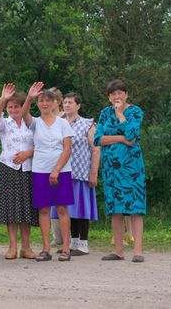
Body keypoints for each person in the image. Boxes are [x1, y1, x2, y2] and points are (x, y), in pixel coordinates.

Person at [94, 79, 146, 263]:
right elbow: (98, 139)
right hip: (111, 169)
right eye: (113, 94)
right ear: (109, 97)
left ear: (126, 94)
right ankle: (118, 250)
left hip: (131, 168)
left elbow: (132, 138)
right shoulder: (104, 113)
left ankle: (138, 251)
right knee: (115, 208)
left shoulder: (135, 111)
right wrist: (121, 138)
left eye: (120, 93)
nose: (117, 96)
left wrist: (120, 115)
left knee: (135, 208)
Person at [21, 82, 74, 262]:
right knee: (43, 209)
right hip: (40, 170)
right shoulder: (35, 123)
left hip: (62, 171)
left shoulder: (63, 123)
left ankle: (66, 248)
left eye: (48, 101)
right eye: (41, 100)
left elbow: (67, 149)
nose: (45, 103)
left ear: (54, 103)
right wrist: (29, 96)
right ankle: (45, 248)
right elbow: (22, 114)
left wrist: (57, 170)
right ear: (38, 103)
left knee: (62, 208)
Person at [0, 84, 38, 260]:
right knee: (11, 209)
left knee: (26, 209)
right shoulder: (5, 124)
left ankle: (26, 247)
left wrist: (28, 153)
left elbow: (42, 145)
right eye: (10, 107)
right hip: (8, 169)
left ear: (22, 107)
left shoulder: (32, 123)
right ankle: (12, 247)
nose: (13, 110)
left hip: (28, 169)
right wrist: (2, 99)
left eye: (16, 106)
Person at [59, 92, 100, 256]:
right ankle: (72, 243)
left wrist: (94, 173)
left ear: (78, 105)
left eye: (70, 102)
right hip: (63, 172)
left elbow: (96, 149)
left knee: (81, 209)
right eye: (65, 102)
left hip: (81, 172)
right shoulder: (59, 123)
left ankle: (83, 244)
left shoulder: (88, 124)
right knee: (68, 209)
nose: (67, 105)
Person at [49, 87, 65, 247]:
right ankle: (56, 235)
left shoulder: (65, 118)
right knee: (51, 201)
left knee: (63, 201)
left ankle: (68, 235)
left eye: (52, 99)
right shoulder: (44, 119)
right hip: (47, 163)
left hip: (64, 163)